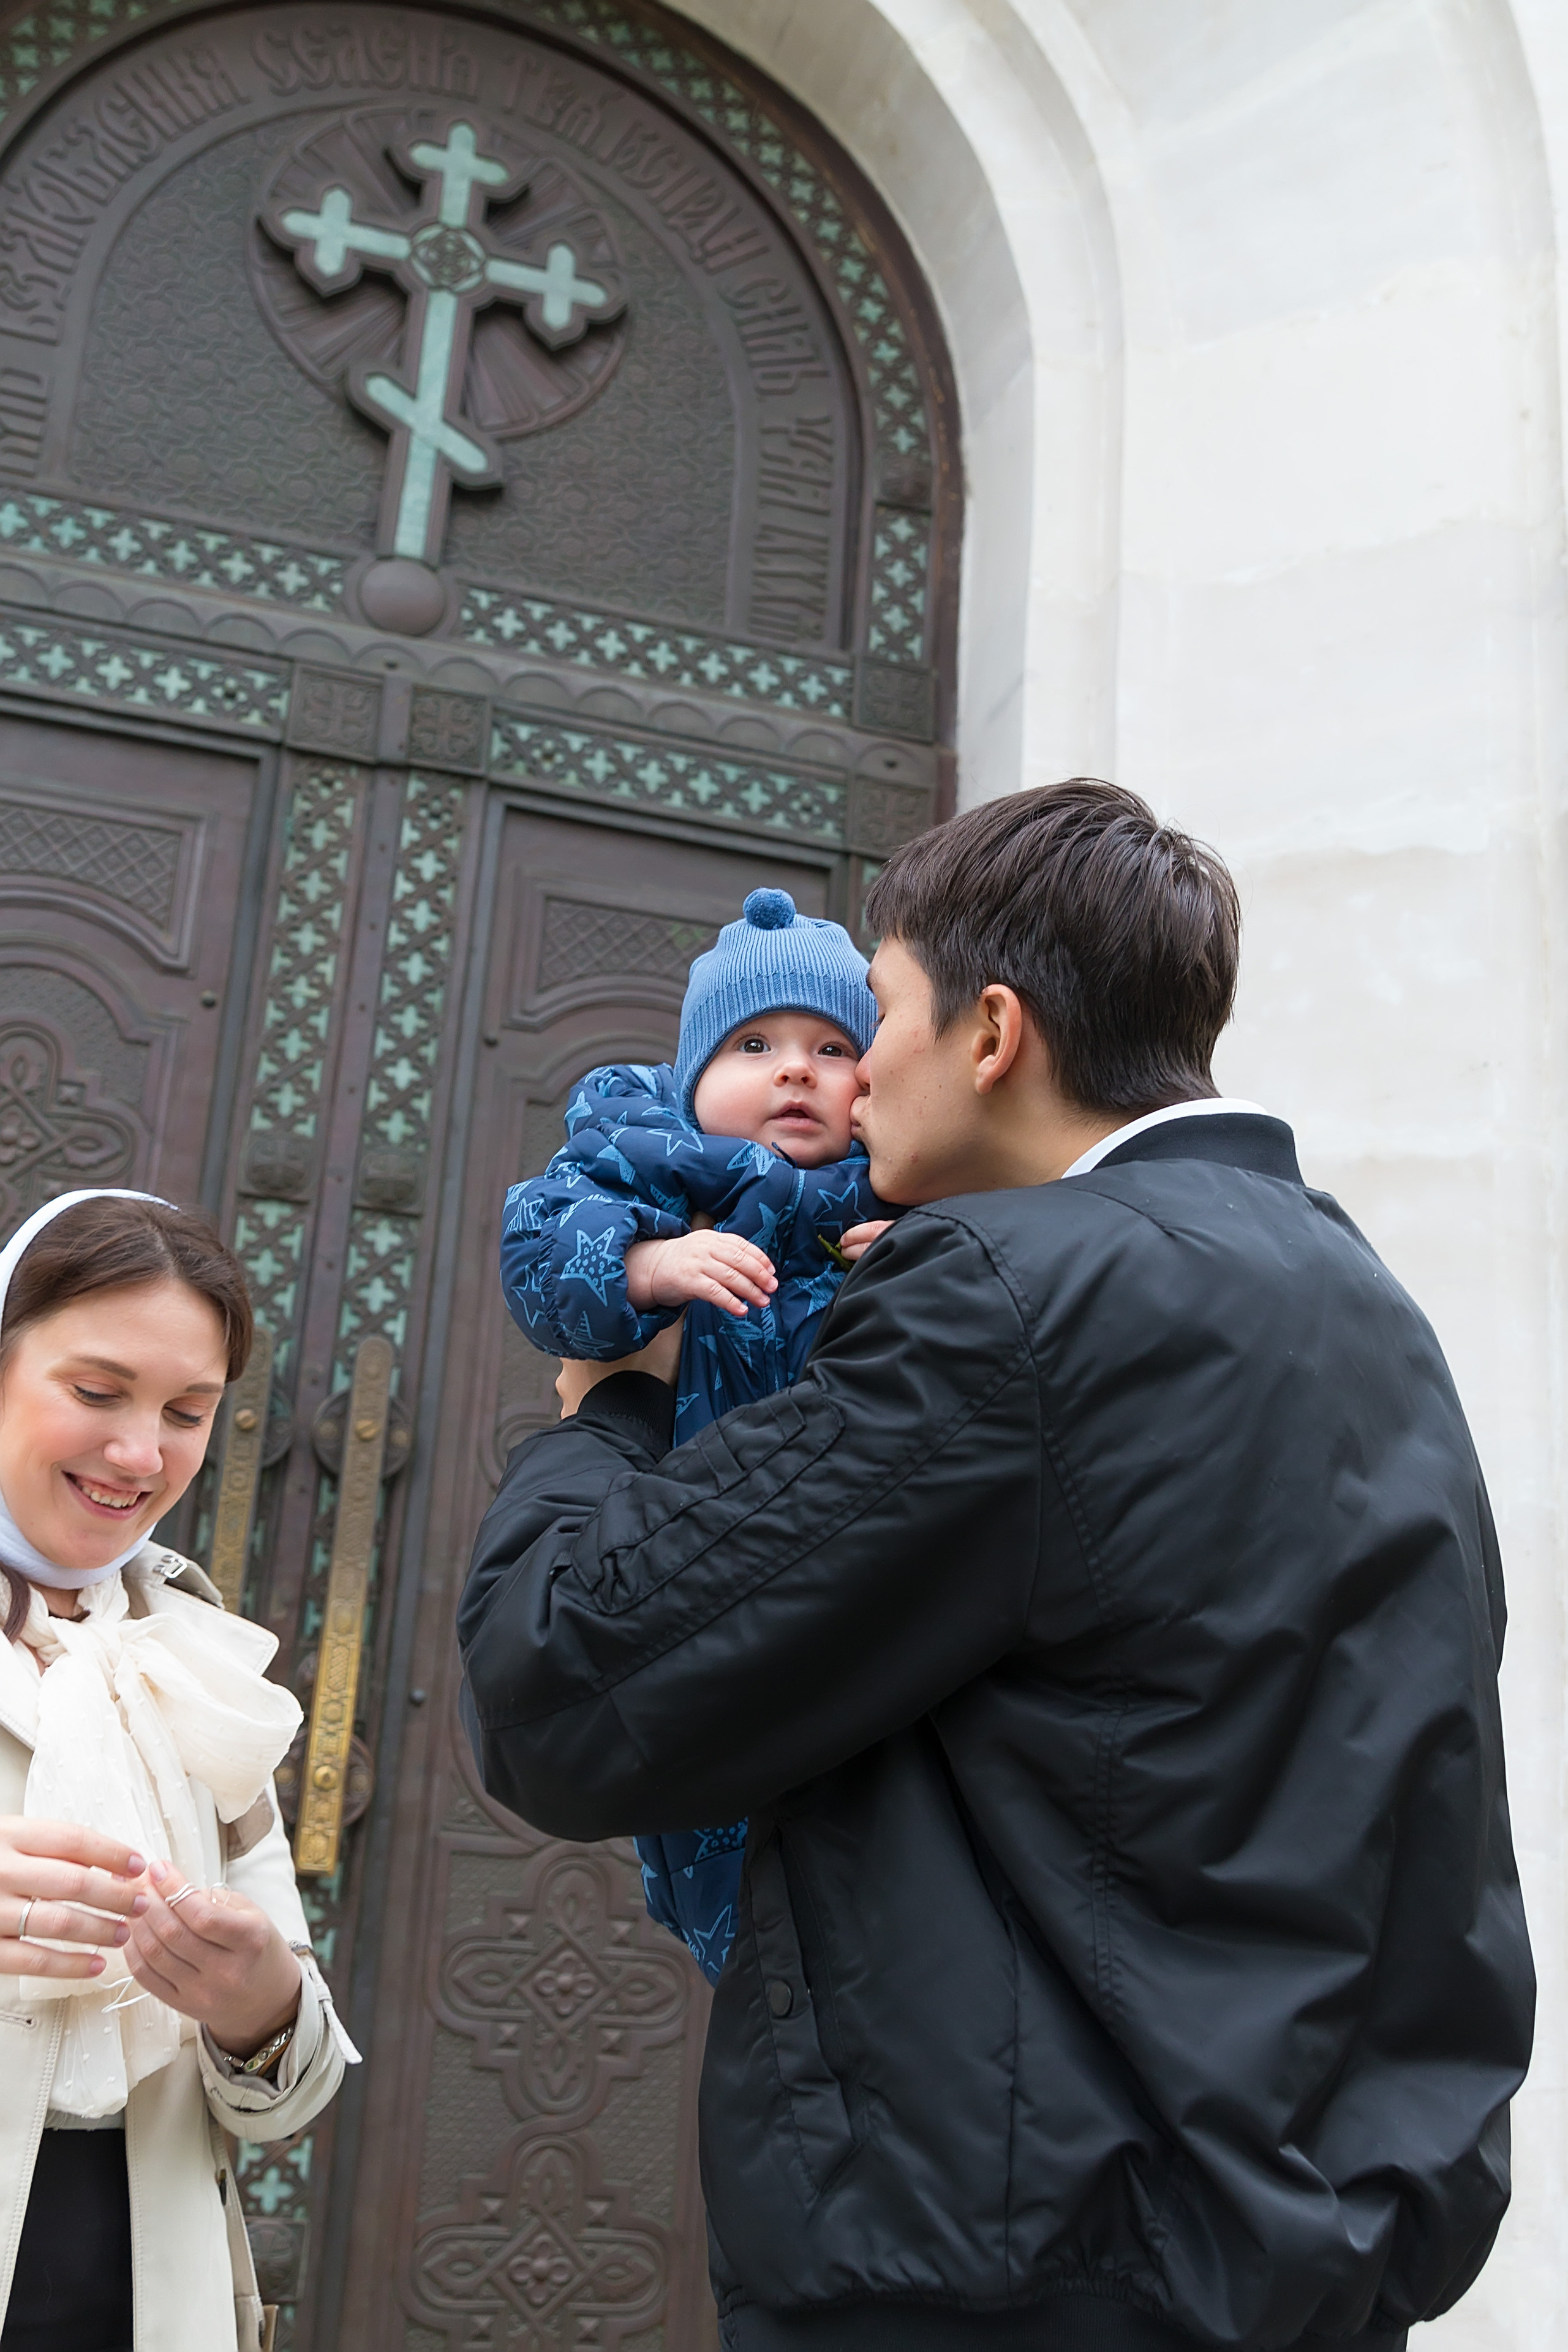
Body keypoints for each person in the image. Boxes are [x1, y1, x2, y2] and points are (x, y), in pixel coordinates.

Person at [459, 782, 1534, 2351]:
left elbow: (561, 1685)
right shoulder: (1364, 1304)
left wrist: (609, 1404)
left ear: (990, 1035)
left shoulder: (1006, 1296)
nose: (851, 1071)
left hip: (1013, 2271)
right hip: (1307, 2262)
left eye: (880, 1012)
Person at [500, 886, 892, 1980]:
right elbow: (540, 1255)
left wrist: (917, 1252)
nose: (796, 1070)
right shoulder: (645, 1156)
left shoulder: (894, 1191)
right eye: (754, 1045)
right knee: (709, 1809)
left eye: (832, 1048)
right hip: (687, 1554)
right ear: (691, 1073)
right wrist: (645, 1267)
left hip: (839, 1572)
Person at [0, 1189, 356, 2352]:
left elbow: (291, 2091)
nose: (140, 1454)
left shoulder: (192, 1655)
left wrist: (258, 2008)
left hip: (145, 2289)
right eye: (96, 1392)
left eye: (188, 1412)